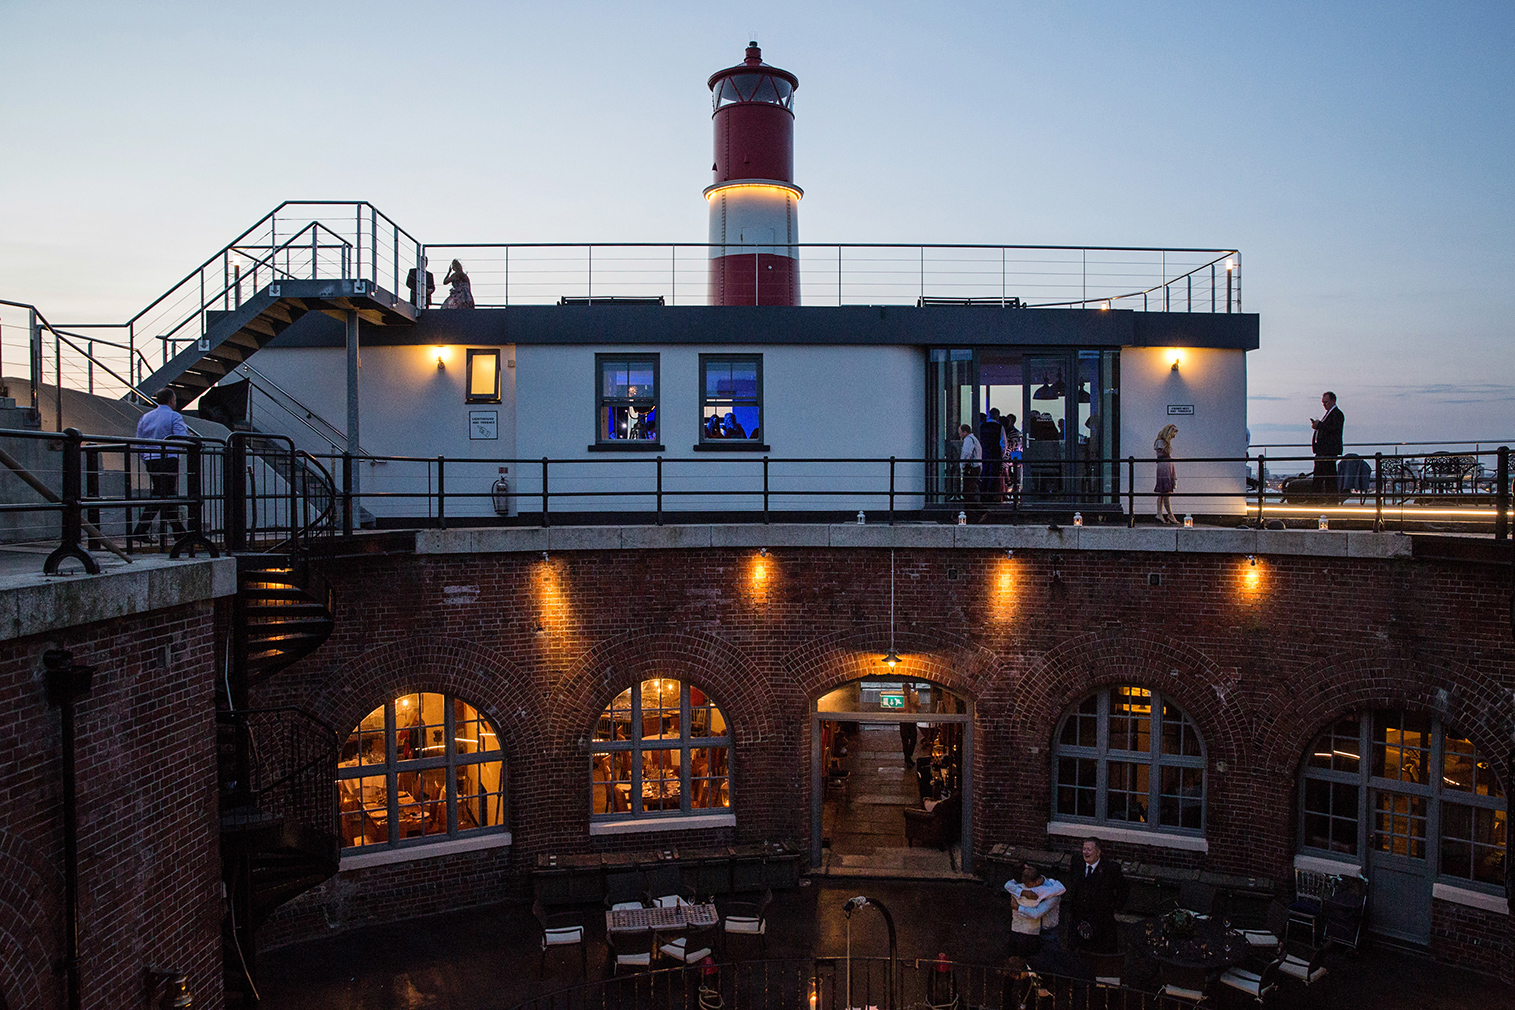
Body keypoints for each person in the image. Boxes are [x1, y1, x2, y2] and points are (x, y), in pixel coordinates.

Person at [132, 388, 190, 541]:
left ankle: (178, 532)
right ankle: (143, 530)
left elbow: (139, 440)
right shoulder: (174, 416)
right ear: (171, 400)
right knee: (165, 493)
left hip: (152, 459)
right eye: (175, 399)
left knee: (161, 493)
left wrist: (145, 457)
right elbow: (181, 437)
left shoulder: (146, 417)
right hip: (168, 458)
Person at [1064, 838, 1128, 954]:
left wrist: (1115, 907)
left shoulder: (1110, 869)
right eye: (1084, 849)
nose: (1085, 852)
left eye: (1089, 850)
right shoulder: (1077, 862)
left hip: (1100, 919)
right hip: (1078, 916)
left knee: (1099, 950)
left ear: (1098, 852)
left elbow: (1123, 890)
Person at [1005, 862, 1066, 956]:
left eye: (1027, 884)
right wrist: (1022, 892)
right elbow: (1008, 884)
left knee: (1050, 958)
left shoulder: (1049, 891)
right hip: (1032, 932)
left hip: (1047, 931)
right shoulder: (1022, 886)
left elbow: (1037, 913)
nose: (1026, 886)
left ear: (1036, 882)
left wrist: (1018, 907)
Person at [1311, 391, 1344, 493]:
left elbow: (1334, 429)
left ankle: (1329, 499)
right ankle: (1316, 498)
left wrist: (1319, 425)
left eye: (1326, 402)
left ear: (1333, 401)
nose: (1324, 405)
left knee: (1328, 477)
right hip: (1323, 450)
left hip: (1329, 450)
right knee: (1319, 476)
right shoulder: (1329, 414)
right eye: (1323, 403)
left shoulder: (1337, 414)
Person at [1153, 424, 1179, 524]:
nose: (1174, 436)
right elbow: (1165, 453)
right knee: (1165, 492)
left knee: (1163, 493)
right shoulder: (1161, 442)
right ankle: (1169, 515)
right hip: (1164, 467)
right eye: (1173, 434)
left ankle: (1161, 514)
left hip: (1166, 466)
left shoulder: (1162, 442)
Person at [958, 423, 982, 503]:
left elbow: (967, 453)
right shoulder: (974, 439)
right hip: (976, 467)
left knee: (968, 490)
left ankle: (970, 509)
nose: (959, 435)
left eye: (960, 432)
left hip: (971, 468)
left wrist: (963, 465)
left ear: (965, 432)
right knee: (972, 488)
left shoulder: (968, 440)